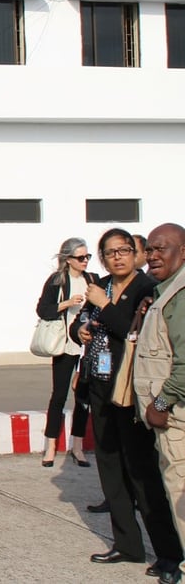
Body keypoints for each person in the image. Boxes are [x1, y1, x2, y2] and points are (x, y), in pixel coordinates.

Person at [70, 227, 182, 576]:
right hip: (101, 388)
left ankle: (168, 553)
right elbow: (80, 321)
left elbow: (128, 329)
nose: (116, 257)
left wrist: (105, 307)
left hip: (131, 393)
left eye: (123, 250)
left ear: (135, 255)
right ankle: (127, 545)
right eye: (109, 252)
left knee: (142, 474)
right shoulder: (99, 286)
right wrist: (81, 330)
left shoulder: (147, 289)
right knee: (110, 469)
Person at [136, 223, 185, 584]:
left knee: (182, 493)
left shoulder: (180, 296)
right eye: (150, 249)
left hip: (177, 416)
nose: (153, 256)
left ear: (183, 253)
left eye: (162, 249)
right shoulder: (163, 293)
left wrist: (162, 403)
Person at [35, 237, 96, 468]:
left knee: (83, 396)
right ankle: (50, 446)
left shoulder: (93, 280)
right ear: (68, 259)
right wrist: (66, 303)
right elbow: (43, 309)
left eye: (87, 257)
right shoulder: (57, 280)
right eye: (80, 257)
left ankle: (78, 446)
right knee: (59, 394)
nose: (85, 261)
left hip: (87, 344)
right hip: (64, 343)